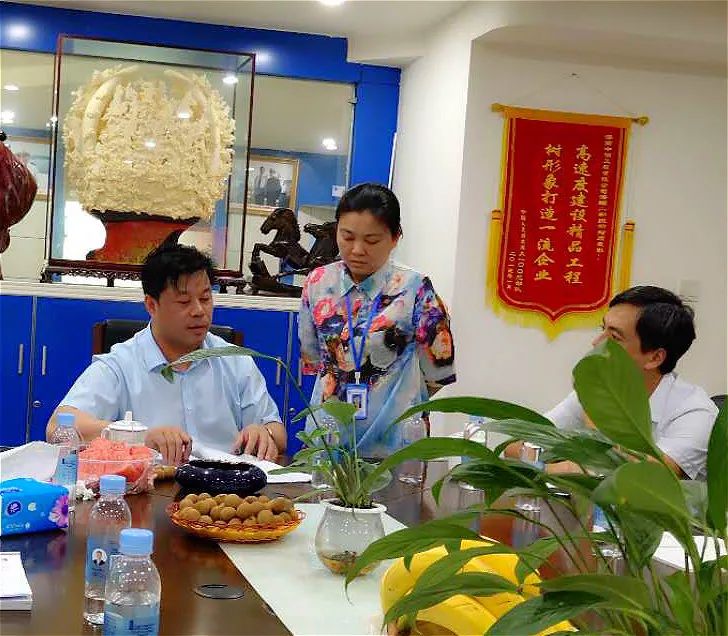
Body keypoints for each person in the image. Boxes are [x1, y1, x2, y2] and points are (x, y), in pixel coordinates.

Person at [46, 244, 286, 464]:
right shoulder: (121, 364)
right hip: (153, 489)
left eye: (205, 298)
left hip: (226, 491)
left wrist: (264, 433)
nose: (199, 311)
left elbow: (278, 432)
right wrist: (139, 437)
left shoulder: (235, 360)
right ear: (151, 305)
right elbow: (57, 427)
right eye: (184, 302)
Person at [299, 183, 456, 457]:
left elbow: (438, 372)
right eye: (347, 237)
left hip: (394, 445)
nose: (357, 250)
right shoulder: (318, 283)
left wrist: (392, 396)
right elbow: (313, 360)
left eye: (371, 240)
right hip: (329, 440)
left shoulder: (415, 290)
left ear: (395, 238)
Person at [506, 286, 718, 480]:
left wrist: (578, 457)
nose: (596, 342)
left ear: (655, 358)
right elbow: (515, 447)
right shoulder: (599, 392)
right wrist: (562, 468)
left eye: (615, 337)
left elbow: (648, 479)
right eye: (602, 329)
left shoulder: (695, 412)